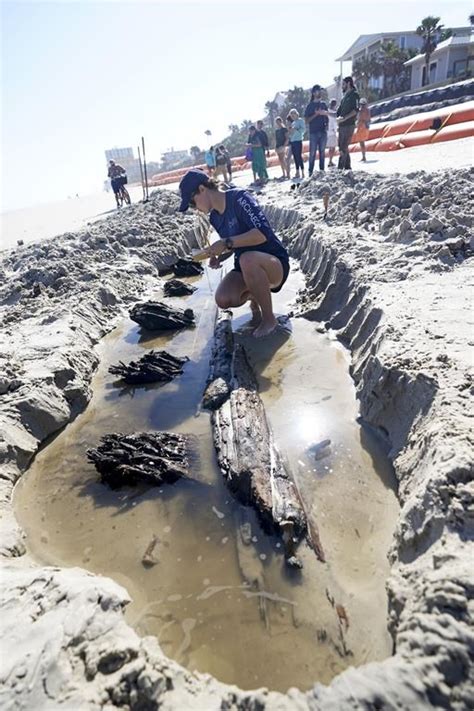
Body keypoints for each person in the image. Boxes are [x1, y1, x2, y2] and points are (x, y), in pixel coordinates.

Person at [178, 169, 290, 338]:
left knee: (247, 259)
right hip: (247, 266)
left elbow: (261, 234)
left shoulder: (239, 198)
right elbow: (233, 246)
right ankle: (256, 294)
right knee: (223, 298)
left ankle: (269, 319)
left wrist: (225, 242)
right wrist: (218, 255)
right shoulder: (214, 217)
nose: (196, 209)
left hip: (274, 263)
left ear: (202, 189)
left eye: (193, 203)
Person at [304, 84, 328, 175]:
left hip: (323, 131)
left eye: (321, 90)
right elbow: (306, 121)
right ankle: (310, 172)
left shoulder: (323, 104)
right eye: (318, 90)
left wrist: (324, 115)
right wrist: (316, 114)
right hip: (313, 133)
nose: (320, 92)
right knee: (312, 153)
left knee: (322, 152)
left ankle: (322, 171)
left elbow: (328, 115)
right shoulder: (310, 106)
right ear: (314, 93)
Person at [336, 76, 360, 170]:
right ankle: (348, 168)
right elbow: (338, 112)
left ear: (348, 84)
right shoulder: (344, 97)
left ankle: (340, 169)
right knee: (342, 147)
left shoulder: (355, 95)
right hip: (341, 126)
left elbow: (355, 110)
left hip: (349, 125)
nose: (342, 86)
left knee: (343, 147)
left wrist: (344, 118)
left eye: (343, 84)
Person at [288, 108, 305, 179]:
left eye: (293, 115)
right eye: (291, 116)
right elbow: (291, 133)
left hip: (298, 140)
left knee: (299, 156)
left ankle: (303, 171)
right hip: (293, 141)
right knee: (295, 157)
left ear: (296, 114)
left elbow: (303, 130)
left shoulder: (301, 121)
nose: (292, 116)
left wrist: (296, 129)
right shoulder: (293, 123)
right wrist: (290, 131)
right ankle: (297, 171)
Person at [327, 99, 338, 167]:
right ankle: (330, 161)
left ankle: (330, 161)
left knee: (330, 148)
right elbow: (334, 123)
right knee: (333, 148)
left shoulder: (327, 112)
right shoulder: (333, 113)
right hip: (332, 132)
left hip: (328, 132)